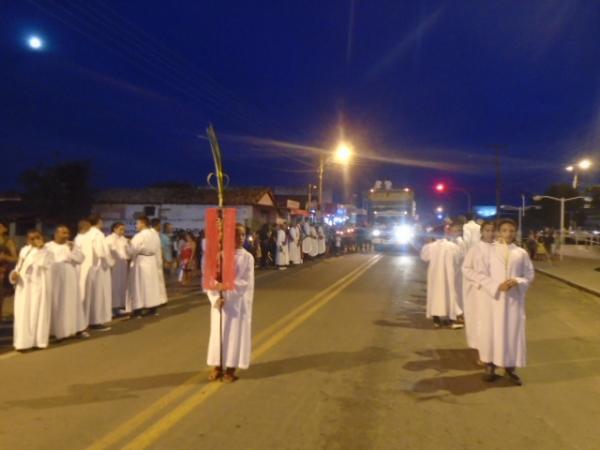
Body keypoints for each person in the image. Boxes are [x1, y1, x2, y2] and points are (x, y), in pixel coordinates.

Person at [466, 219, 534, 385]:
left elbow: (529, 275)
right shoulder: (488, 251)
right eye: (504, 230)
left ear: (515, 232)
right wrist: (495, 286)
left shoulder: (521, 253)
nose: (508, 233)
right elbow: (470, 270)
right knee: (491, 330)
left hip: (513, 301)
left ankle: (510, 367)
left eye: (511, 230)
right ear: (498, 232)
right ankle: (489, 365)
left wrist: (517, 281)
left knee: (511, 332)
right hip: (491, 300)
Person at [206, 223, 254, 383]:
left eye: (242, 235)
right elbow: (210, 278)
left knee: (233, 335)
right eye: (236, 235)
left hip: (236, 305)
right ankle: (217, 366)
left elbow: (245, 282)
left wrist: (228, 292)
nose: (240, 238)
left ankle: (231, 368)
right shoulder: (219, 255)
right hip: (219, 304)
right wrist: (215, 297)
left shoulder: (247, 257)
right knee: (218, 335)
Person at [9, 230, 53, 350]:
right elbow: (19, 265)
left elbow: (43, 264)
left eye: (37, 237)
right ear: (28, 240)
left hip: (38, 287)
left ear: (42, 237)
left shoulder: (48, 251)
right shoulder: (24, 250)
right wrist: (14, 274)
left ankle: (38, 341)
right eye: (32, 239)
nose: (35, 241)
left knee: (36, 313)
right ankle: (23, 343)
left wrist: (40, 249)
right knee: (23, 314)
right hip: (24, 287)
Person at [45, 225, 88, 340]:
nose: (66, 235)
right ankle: (55, 330)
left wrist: (72, 250)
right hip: (53, 276)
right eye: (63, 233)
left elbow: (80, 259)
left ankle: (78, 329)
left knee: (71, 301)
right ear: (56, 233)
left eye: (68, 233)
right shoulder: (47, 246)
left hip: (69, 275)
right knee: (55, 302)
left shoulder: (72, 245)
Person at [420, 223, 464, 329]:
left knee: (435, 296)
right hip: (450, 276)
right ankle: (450, 318)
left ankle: (436, 319)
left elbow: (424, 257)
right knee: (449, 295)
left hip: (434, 275)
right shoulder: (454, 247)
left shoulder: (430, 246)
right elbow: (459, 260)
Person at [461, 220, 495, 354]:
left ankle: (493, 350)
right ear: (482, 232)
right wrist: (481, 281)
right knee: (480, 321)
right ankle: (481, 350)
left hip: (495, 292)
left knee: (493, 323)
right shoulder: (475, 249)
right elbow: (466, 268)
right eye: (487, 230)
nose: (490, 233)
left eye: (493, 230)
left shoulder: (500, 248)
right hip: (479, 291)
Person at [127, 216, 161, 316]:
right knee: (151, 285)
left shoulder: (139, 236)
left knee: (139, 285)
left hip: (141, 261)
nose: (136, 226)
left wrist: (128, 246)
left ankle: (138, 310)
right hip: (151, 260)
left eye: (137, 223)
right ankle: (153, 308)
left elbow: (132, 250)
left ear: (143, 223)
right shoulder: (154, 235)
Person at [86, 215, 114, 330]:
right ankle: (96, 321)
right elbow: (101, 252)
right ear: (98, 222)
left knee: (91, 295)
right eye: (102, 221)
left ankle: (89, 320)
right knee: (99, 295)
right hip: (99, 268)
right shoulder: (98, 234)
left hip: (89, 268)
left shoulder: (86, 234)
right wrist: (111, 263)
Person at [106, 222, 130, 314]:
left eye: (123, 229)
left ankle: (119, 307)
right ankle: (111, 308)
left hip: (122, 265)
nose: (122, 231)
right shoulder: (109, 239)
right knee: (113, 286)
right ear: (114, 229)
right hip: (114, 265)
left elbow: (127, 252)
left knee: (122, 285)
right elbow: (108, 252)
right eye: (120, 229)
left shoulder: (124, 239)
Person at [74, 218, 93, 327]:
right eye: (88, 226)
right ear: (84, 227)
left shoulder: (83, 238)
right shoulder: (79, 239)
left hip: (87, 267)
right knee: (82, 293)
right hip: (81, 269)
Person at [0, 221, 18, 321]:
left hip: (2, 272)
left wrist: (5, 257)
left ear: (5, 229)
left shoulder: (8, 242)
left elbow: (16, 258)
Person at [150, 218, 168, 305]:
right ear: (156, 225)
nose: (160, 226)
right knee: (156, 281)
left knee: (160, 280)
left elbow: (160, 248)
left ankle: (161, 299)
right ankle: (157, 299)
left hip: (158, 260)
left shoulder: (157, 234)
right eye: (159, 225)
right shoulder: (151, 234)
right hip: (153, 261)